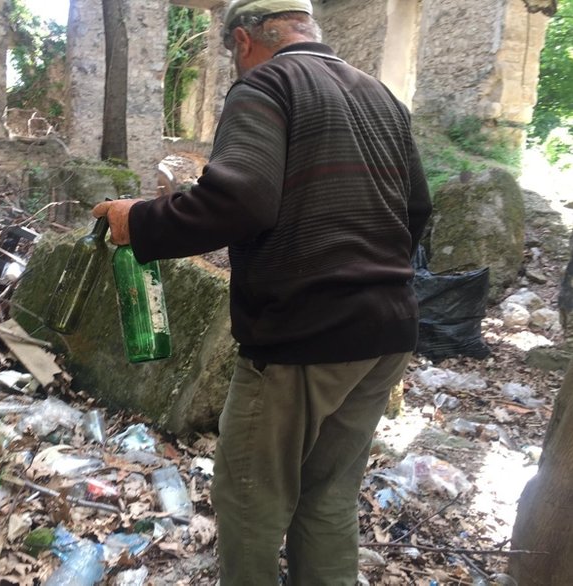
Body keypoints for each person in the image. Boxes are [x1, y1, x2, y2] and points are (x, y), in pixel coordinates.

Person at [93, 0, 432, 583]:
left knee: (250, 498)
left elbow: (240, 199)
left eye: (231, 55)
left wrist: (140, 220)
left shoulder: (267, 83)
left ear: (244, 41)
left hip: (304, 335)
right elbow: (419, 212)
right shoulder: (381, 96)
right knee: (327, 497)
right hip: (388, 330)